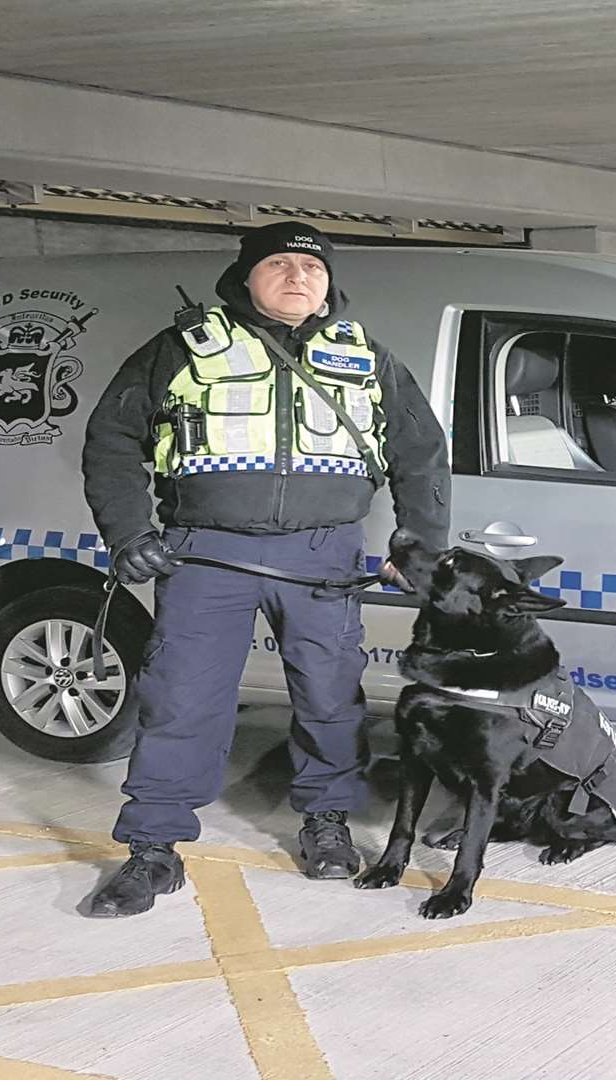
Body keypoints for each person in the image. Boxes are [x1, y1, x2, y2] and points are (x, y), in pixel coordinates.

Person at [80, 221, 449, 917]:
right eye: (278, 264)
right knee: (182, 700)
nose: (296, 276)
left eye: (310, 268)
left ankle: (327, 824)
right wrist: (128, 530)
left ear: (329, 284)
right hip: (205, 553)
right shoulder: (183, 349)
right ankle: (152, 851)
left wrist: (419, 542)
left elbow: (421, 451)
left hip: (321, 555)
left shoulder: (366, 358)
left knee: (330, 696)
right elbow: (113, 437)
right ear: (246, 276)